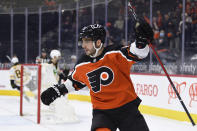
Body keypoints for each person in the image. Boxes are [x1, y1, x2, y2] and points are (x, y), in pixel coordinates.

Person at [41, 20, 153, 131]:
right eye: (83, 41)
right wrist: (57, 90)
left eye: (87, 41)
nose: (83, 45)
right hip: (102, 113)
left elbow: (137, 52)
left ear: (98, 42)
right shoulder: (82, 63)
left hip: (127, 109)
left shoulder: (116, 53)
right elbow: (74, 82)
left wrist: (141, 42)